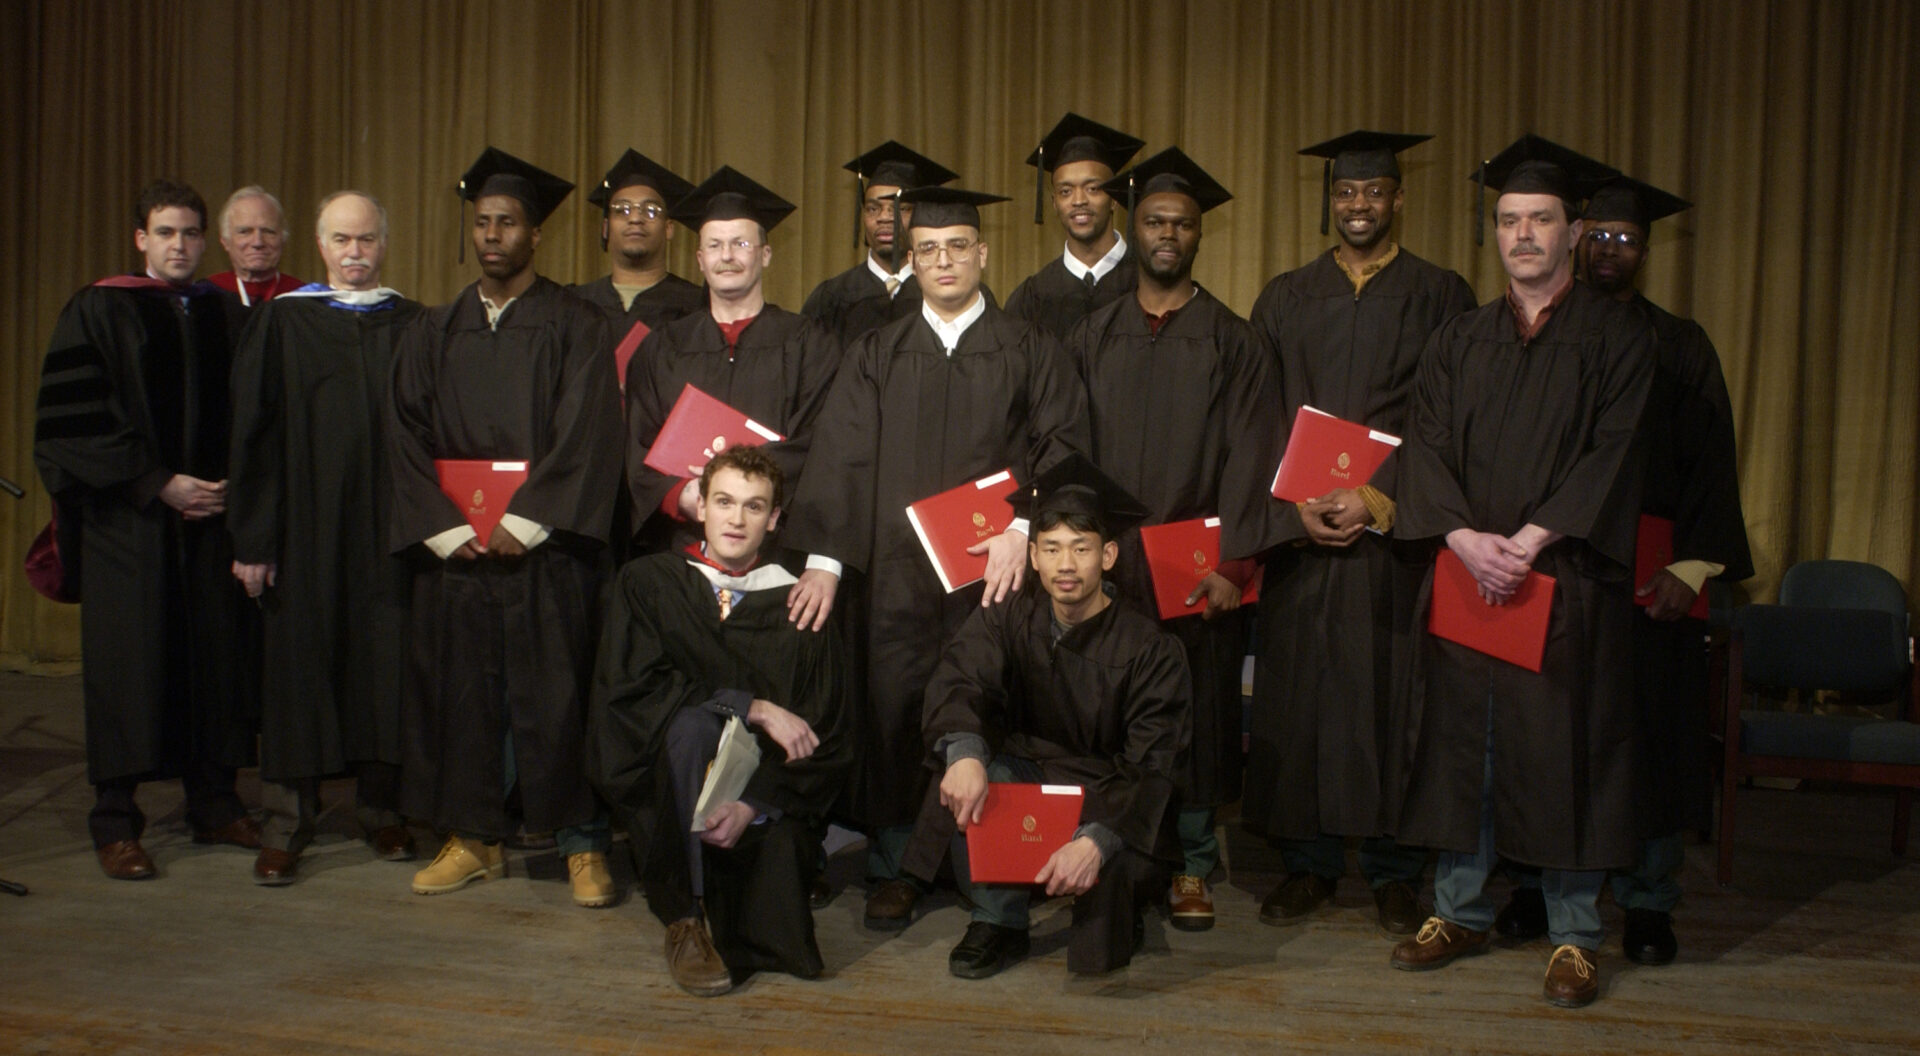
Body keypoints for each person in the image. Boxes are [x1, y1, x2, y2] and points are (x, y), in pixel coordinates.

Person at [782, 185, 1090, 931]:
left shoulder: (1029, 350)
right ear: (910, 259)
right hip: (895, 577)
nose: (944, 261)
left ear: (983, 254)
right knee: (894, 714)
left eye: (958, 247)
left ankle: (989, 873)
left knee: (991, 711)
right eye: (928, 250)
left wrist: (1025, 529)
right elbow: (844, 459)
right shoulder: (877, 354)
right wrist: (825, 558)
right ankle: (897, 867)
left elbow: (1066, 448)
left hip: (997, 578)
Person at [1389, 135, 1651, 1009]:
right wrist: (1465, 539)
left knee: (1564, 750)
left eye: (1542, 219)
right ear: (1493, 232)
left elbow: (1614, 454)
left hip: (1564, 582)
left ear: (1574, 231)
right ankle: (1456, 909)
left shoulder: (1616, 339)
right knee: (1467, 745)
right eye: (1509, 220)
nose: (1524, 234)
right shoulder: (1459, 338)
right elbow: (1424, 447)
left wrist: (1531, 541)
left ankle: (1575, 934)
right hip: (1470, 575)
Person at [1494, 174, 1753, 967]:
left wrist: (1694, 565)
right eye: (1598, 235)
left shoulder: (1678, 343)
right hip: (1555, 563)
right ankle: (1536, 887)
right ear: (1575, 237)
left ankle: (1648, 901)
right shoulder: (1527, 332)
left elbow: (1711, 464)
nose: (1610, 250)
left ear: (1645, 249)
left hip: (1646, 567)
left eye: (1626, 239)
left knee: (1645, 740)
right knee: (1541, 734)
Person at [1234, 131, 1477, 936]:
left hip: (1392, 543)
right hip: (1304, 542)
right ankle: (1306, 866)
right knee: (1300, 698)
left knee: (1393, 698)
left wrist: (1379, 500)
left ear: (1398, 199)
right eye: (1346, 194)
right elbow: (1258, 417)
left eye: (1374, 193)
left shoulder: (1441, 294)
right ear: (1329, 201)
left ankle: (1394, 869)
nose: (1359, 206)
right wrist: (1291, 513)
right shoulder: (1284, 296)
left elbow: (1447, 426)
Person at [387, 147, 624, 908]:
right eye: (483, 222)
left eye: (509, 222)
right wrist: (450, 530)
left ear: (535, 236)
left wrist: (530, 519)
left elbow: (589, 428)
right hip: (458, 553)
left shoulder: (578, 323)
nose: (494, 234)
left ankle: (583, 845)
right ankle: (475, 839)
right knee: (462, 695)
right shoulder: (433, 329)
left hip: (545, 552)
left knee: (563, 693)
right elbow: (401, 431)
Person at [1065, 147, 1271, 931]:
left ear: (1197, 237)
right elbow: (1070, 450)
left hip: (1194, 571)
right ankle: (1110, 850)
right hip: (1110, 566)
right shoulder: (1091, 336)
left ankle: (1190, 863)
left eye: (1182, 225)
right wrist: (1081, 554)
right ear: (1134, 225)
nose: (1167, 234)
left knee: (1198, 715)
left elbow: (1254, 457)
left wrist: (1235, 564)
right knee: (1106, 712)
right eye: (1154, 220)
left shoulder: (1234, 339)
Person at [32, 179, 260, 880]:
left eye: (191, 233)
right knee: (129, 666)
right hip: (128, 527)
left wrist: (228, 490)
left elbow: (257, 416)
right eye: (166, 232)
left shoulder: (229, 314)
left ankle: (215, 803)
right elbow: (71, 424)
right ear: (141, 238)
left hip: (212, 522)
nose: (180, 246)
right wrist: (158, 482)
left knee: (215, 659)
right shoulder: (98, 308)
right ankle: (116, 819)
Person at [901, 454, 1191, 978]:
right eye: (1052, 549)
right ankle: (999, 922)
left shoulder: (1150, 649)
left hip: (1112, 790)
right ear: (1032, 556)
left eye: (1081, 549)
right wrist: (963, 752)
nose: (1065, 565)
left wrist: (1097, 839)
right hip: (1030, 771)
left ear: (1108, 555)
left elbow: (1154, 762)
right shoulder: (1010, 613)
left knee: (1126, 866)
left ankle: (1118, 900)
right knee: (975, 777)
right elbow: (960, 677)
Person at [589, 446, 851, 997]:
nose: (737, 519)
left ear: (775, 520)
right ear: (699, 506)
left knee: (782, 940)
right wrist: (749, 704)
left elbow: (828, 727)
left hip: (771, 793)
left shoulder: (797, 602)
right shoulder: (649, 582)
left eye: (755, 507)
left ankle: (730, 900)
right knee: (692, 728)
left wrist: (756, 801)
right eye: (725, 502)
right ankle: (686, 918)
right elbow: (630, 695)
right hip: (667, 780)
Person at [226, 190, 424, 885]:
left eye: (366, 239)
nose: (355, 253)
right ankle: (286, 821)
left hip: (388, 532)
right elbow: (252, 435)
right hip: (305, 530)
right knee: (297, 671)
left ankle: (381, 810)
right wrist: (253, 539)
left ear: (385, 241)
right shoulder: (283, 324)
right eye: (342, 239)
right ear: (320, 244)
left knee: (385, 664)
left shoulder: (414, 323)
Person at [624, 167, 840, 557]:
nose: (727, 256)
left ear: (766, 254)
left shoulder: (808, 343)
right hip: (682, 546)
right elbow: (638, 442)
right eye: (715, 246)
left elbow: (819, 442)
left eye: (741, 244)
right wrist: (685, 495)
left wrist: (741, 495)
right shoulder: (662, 347)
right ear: (700, 259)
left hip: (777, 550)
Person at [1003, 113, 1144, 342]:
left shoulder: (1147, 285)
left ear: (1115, 199)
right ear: (1054, 203)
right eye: (1065, 191)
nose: (1078, 200)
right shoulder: (1031, 299)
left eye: (1093, 188)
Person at [802, 141, 957, 348]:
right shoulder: (831, 298)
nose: (884, 218)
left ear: (921, 215)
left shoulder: (948, 294)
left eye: (900, 209)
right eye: (873, 209)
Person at [569, 149, 706, 336]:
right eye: (622, 210)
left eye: (650, 210)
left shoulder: (697, 307)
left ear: (668, 228)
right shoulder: (574, 304)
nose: (635, 218)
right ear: (605, 228)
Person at [207, 186, 305, 306]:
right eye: (245, 232)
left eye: (268, 231)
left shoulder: (302, 298)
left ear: (283, 238)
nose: (258, 242)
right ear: (225, 241)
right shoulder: (206, 295)